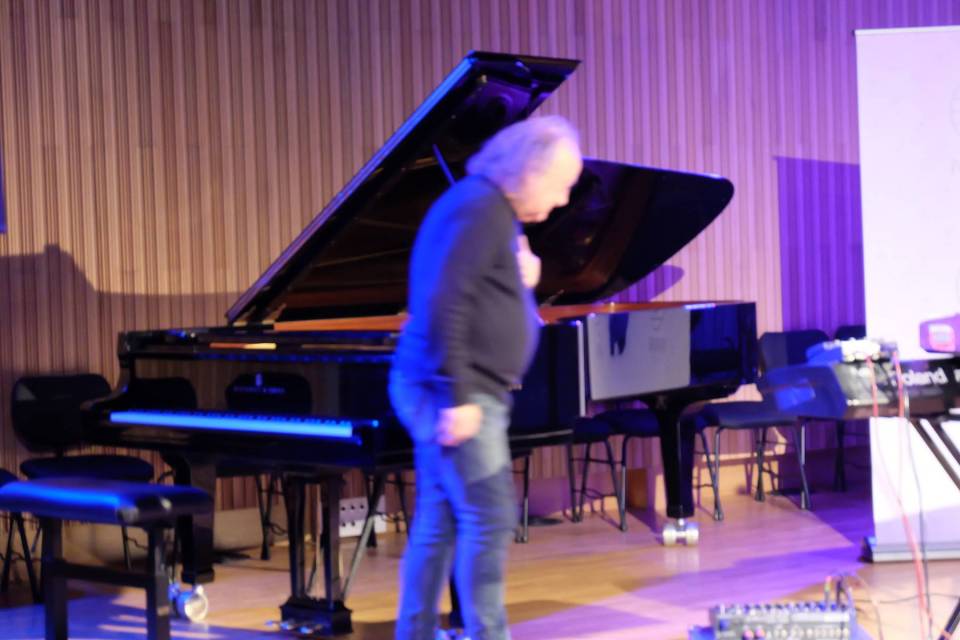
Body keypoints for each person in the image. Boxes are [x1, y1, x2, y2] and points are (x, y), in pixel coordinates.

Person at [390, 115, 583, 640]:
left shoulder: (489, 208)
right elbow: (443, 303)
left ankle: (416, 632)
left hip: (456, 384)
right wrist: (457, 395)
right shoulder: (480, 209)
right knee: (490, 518)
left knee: (440, 523)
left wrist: (526, 280)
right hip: (457, 387)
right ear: (530, 171)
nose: (563, 199)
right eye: (560, 185)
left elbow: (478, 294)